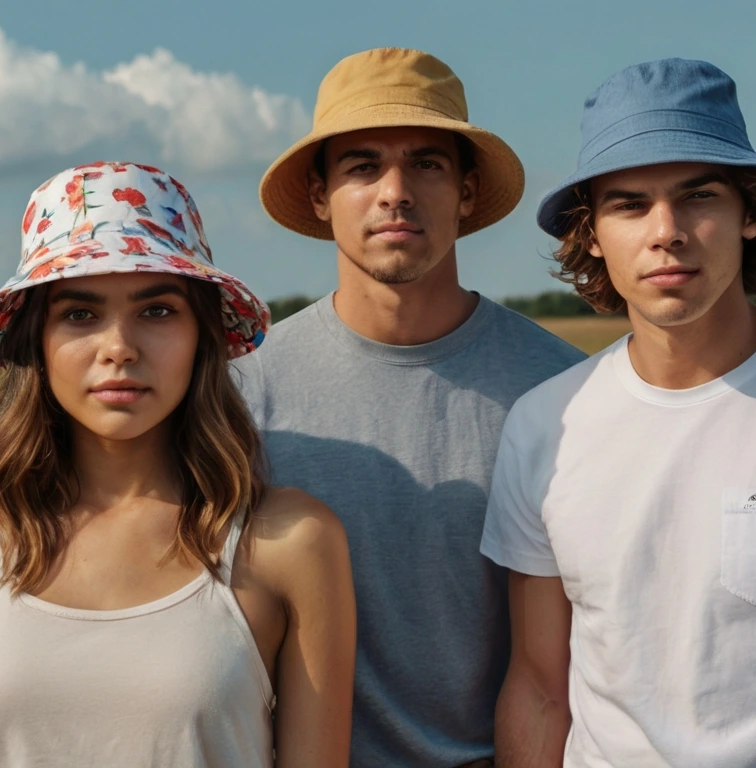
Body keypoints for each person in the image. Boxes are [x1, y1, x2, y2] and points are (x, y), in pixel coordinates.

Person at [481, 58, 756, 767]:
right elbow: (539, 688)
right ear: (590, 232)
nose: (667, 230)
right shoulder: (545, 426)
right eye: (629, 204)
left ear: (750, 214)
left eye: (699, 197)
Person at [0, 161, 356, 767]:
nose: (120, 348)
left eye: (157, 311)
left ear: (202, 335)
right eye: (80, 314)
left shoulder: (292, 540)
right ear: (38, 341)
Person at [237, 48, 585, 767]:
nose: (395, 191)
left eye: (426, 163)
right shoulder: (240, 394)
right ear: (318, 196)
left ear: (464, 192)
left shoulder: (563, 391)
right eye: (362, 166)